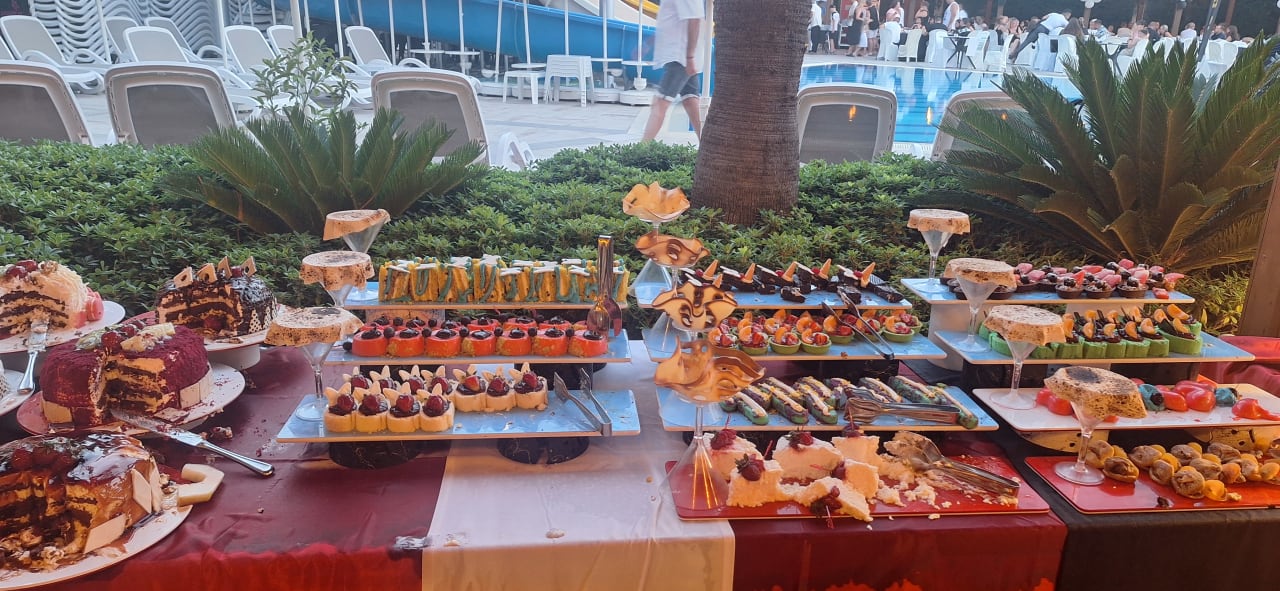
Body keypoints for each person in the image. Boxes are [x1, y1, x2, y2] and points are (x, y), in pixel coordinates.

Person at [641, 0, 705, 141]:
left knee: (659, 104)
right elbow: (669, 21)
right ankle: (708, 146)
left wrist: (689, 56)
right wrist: (648, 44)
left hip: (679, 58)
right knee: (691, 102)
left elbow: (694, 20)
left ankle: (641, 149)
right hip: (681, 56)